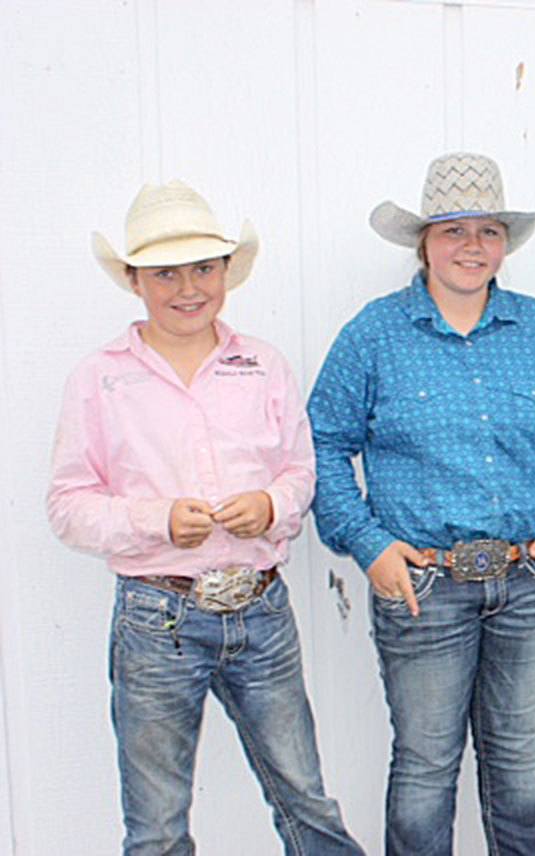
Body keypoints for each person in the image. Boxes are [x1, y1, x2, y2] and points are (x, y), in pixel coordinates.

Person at [46, 181, 362, 854]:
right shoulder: (99, 379)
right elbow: (68, 505)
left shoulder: (263, 365)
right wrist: (156, 520)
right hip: (156, 617)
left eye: (203, 268)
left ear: (225, 272)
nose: (188, 288)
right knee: (157, 823)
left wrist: (271, 505)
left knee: (305, 797)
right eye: (165, 273)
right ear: (134, 280)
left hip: (261, 609)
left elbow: (300, 471)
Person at [308, 152, 535, 856]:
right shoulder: (374, 335)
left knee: (517, 761)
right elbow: (321, 444)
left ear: (505, 243)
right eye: (453, 230)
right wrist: (370, 545)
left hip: (528, 580)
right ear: (424, 243)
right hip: (424, 586)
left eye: (488, 230)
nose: (472, 246)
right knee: (425, 767)